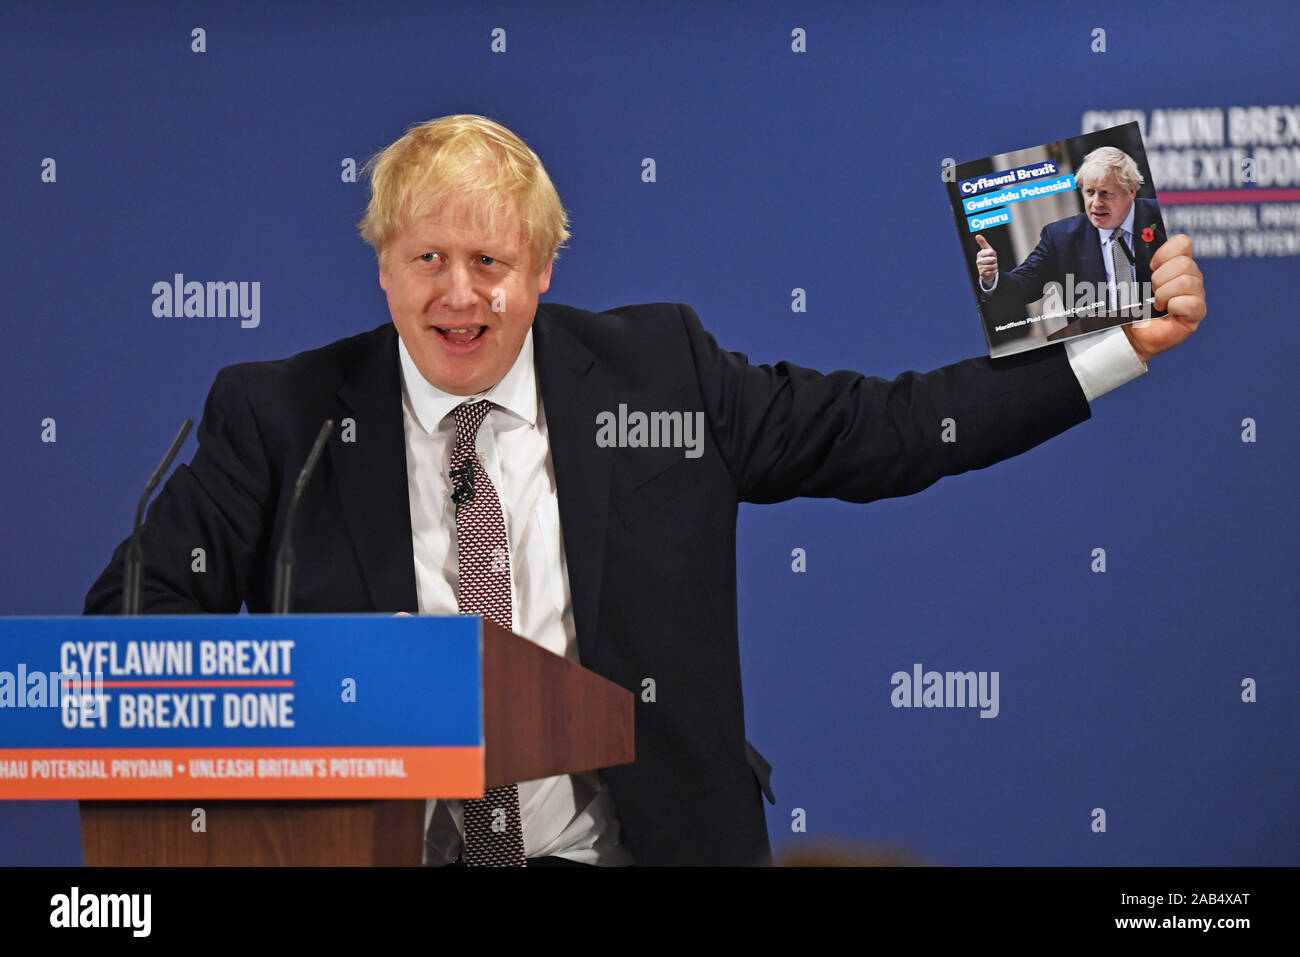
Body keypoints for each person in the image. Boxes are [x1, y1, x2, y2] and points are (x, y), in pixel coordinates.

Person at [84, 115, 1207, 866]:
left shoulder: (657, 373)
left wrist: (1111, 352)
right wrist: (343, 702)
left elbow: (888, 428)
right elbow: (134, 627)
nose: (459, 294)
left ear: (544, 270)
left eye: (491, 263)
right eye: (428, 259)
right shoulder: (283, 416)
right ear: (382, 264)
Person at [975, 146, 1166, 320]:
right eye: (1090, 192)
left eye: (1106, 193)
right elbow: (1024, 285)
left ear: (1131, 191)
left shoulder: (1161, 216)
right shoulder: (1060, 237)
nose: (1096, 203)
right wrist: (991, 278)